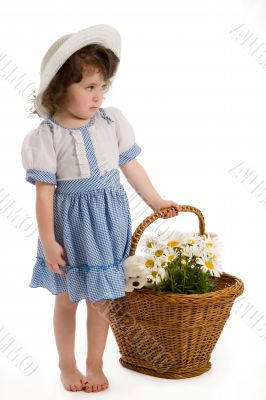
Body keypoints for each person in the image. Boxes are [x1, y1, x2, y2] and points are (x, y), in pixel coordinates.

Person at [21, 24, 180, 393]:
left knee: (102, 299)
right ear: (60, 89)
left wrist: (156, 201)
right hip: (71, 228)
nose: (98, 96)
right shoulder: (47, 137)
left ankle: (95, 362)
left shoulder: (110, 121)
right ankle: (66, 364)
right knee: (66, 300)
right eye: (89, 87)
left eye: (102, 87)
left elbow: (131, 166)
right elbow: (44, 194)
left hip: (108, 222)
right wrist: (48, 240)